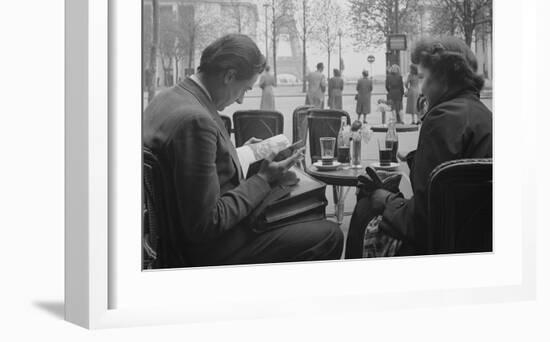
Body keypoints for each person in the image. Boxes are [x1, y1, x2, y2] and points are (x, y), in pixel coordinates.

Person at [143, 34, 343, 266]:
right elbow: (207, 223)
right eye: (244, 90)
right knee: (328, 233)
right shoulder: (196, 121)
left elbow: (188, 172)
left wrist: (241, 152)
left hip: (171, 237)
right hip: (208, 250)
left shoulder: (168, 98)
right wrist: (264, 179)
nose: (240, 101)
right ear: (229, 76)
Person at [345, 36, 492, 258]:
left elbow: (422, 223)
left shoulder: (440, 119)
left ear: (444, 76)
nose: (420, 88)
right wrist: (415, 160)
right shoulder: (483, 114)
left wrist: (384, 198)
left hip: (435, 246)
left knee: (366, 206)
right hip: (475, 242)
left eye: (423, 77)